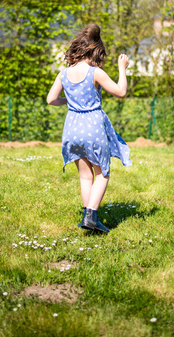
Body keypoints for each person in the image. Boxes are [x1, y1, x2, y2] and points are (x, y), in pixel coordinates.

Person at [47, 23, 132, 233]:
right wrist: (122, 68)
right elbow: (120, 92)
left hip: (72, 128)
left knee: (86, 176)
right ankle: (91, 216)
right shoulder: (95, 72)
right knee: (103, 172)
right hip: (92, 126)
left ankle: (87, 217)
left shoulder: (64, 74)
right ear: (96, 51)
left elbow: (51, 99)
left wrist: (70, 101)